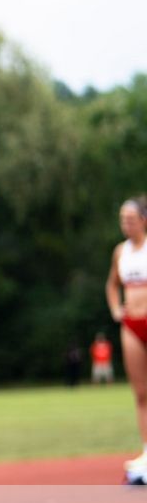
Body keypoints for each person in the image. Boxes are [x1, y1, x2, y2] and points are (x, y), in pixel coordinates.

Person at [104, 195, 147, 481]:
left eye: (130, 219)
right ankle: (146, 450)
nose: (126, 224)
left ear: (144, 220)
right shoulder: (121, 252)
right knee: (142, 393)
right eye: (122, 219)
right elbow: (111, 284)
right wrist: (115, 309)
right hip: (131, 323)